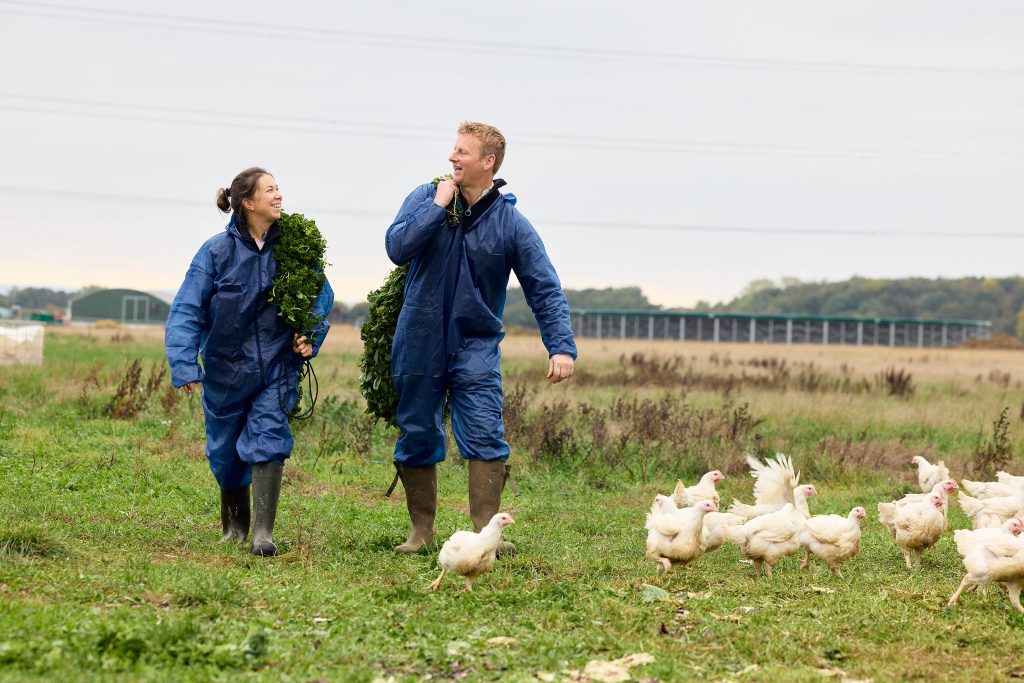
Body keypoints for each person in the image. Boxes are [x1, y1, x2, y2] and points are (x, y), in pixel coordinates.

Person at [385, 122, 577, 556]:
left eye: (462, 153)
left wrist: (561, 345)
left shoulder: (511, 223)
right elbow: (396, 247)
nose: (452, 158)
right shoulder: (425, 197)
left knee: (486, 433)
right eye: (452, 151)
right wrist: (436, 206)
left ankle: (483, 535)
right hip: (418, 337)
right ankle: (420, 533)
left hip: (475, 343)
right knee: (416, 430)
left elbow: (543, 287)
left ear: (487, 162)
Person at [165, 167, 333, 557]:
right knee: (224, 452)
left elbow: (320, 297)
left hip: (277, 365)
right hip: (226, 368)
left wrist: (311, 336)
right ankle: (234, 526)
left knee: (269, 437)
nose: (279, 196)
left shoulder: (294, 248)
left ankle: (262, 533)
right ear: (248, 202)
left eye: (279, 189)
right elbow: (187, 310)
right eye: (270, 190)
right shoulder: (215, 252)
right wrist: (185, 365)